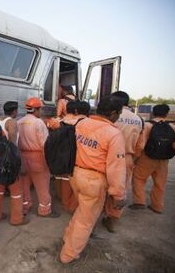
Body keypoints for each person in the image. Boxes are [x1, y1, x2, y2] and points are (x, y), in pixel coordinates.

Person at [60, 96, 126, 264]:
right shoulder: (113, 133)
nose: (118, 116)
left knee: (81, 211)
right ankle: (68, 255)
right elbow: (116, 167)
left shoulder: (81, 123)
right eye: (118, 113)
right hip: (94, 180)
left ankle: (68, 237)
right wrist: (118, 194)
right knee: (86, 221)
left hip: (75, 174)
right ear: (112, 113)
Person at [102, 91, 143, 232]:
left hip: (104, 156)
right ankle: (112, 219)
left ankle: (97, 213)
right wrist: (132, 159)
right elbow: (140, 146)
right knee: (120, 189)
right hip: (126, 157)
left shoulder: (109, 116)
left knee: (101, 187)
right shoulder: (138, 119)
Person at [130, 104, 175, 214]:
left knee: (139, 178)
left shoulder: (147, 125)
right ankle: (157, 206)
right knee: (160, 183)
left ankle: (139, 202)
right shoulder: (173, 127)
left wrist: (136, 157)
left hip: (147, 157)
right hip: (164, 160)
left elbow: (141, 144)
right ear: (166, 114)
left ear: (153, 112)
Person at [18, 97, 59, 217]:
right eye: (39, 109)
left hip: (22, 157)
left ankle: (25, 207)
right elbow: (45, 144)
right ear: (36, 109)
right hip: (37, 158)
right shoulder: (38, 122)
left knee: (24, 185)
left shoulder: (19, 122)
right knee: (42, 186)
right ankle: (44, 210)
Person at [0, 101, 29, 226]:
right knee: (16, 190)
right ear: (14, 111)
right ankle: (17, 219)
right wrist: (16, 159)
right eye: (16, 110)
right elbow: (13, 141)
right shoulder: (11, 122)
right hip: (9, 159)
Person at [52, 100, 90, 213]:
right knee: (69, 179)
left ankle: (62, 199)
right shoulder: (86, 122)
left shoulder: (60, 121)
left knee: (60, 176)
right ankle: (69, 204)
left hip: (60, 152)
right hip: (77, 154)